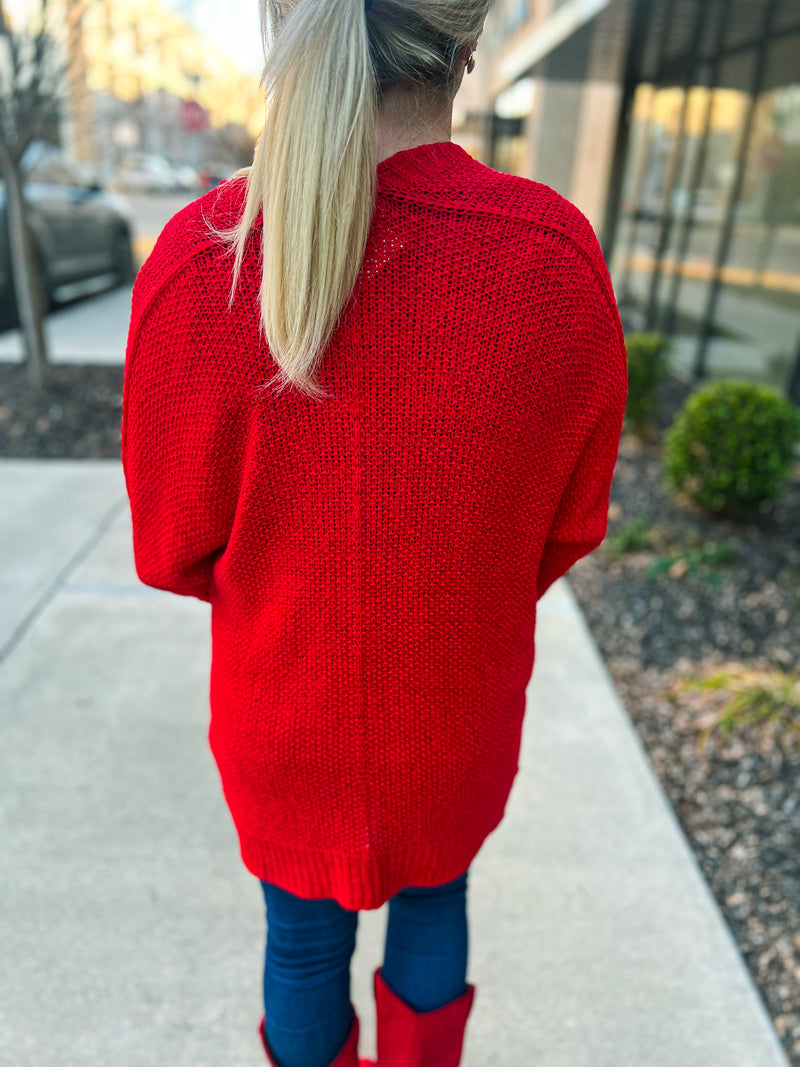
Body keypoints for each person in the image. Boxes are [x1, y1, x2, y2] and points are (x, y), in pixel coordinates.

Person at [120, 0, 628, 1064]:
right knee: (437, 900)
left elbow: (171, 545)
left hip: (283, 711)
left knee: (302, 945)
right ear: (468, 46)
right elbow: (570, 521)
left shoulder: (203, 257)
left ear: (287, 34)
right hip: (454, 704)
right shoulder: (552, 257)